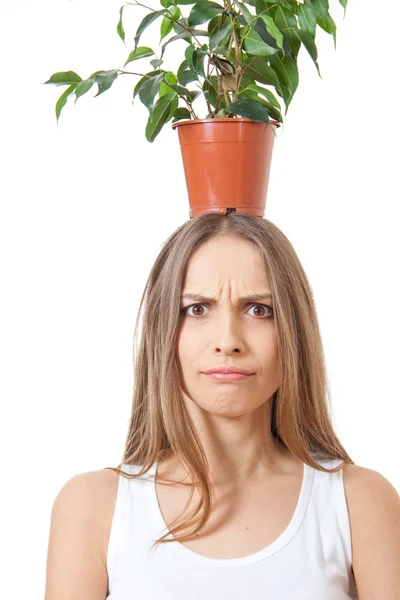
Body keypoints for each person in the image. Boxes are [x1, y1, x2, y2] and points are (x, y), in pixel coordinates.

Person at [44, 212, 400, 600]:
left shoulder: (358, 502)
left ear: (294, 332)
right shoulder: (93, 507)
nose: (228, 340)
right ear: (163, 332)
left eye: (258, 309)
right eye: (197, 309)